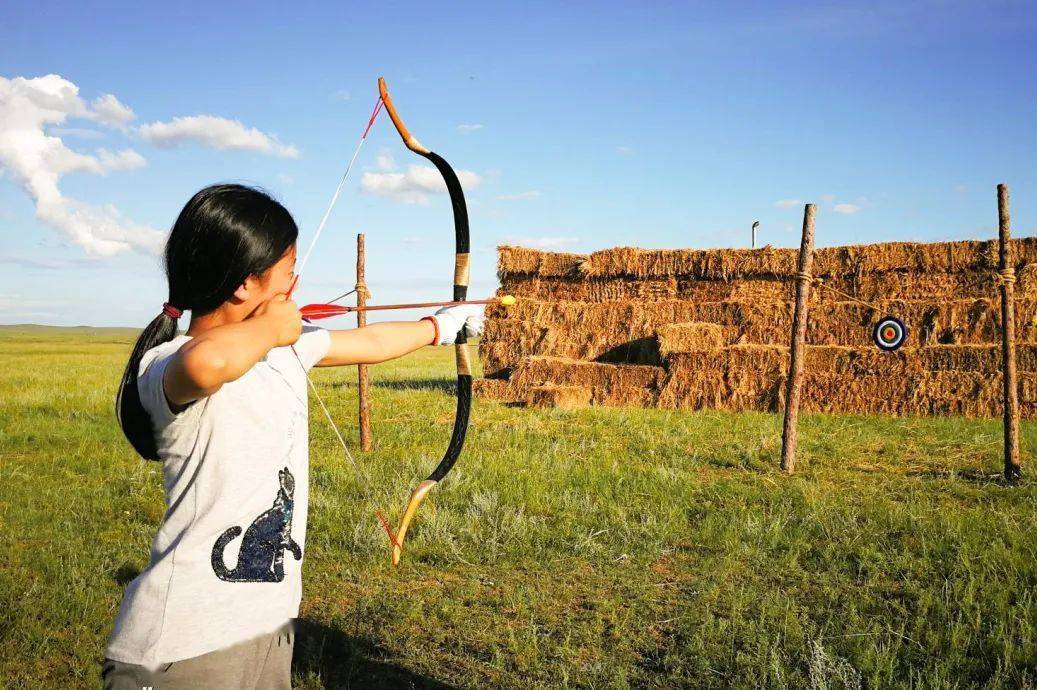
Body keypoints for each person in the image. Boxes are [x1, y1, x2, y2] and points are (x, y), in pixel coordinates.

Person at [102, 184, 483, 689]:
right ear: (244, 284)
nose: (296, 282)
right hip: (184, 649)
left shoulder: (282, 348)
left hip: (267, 630)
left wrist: (437, 326)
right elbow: (209, 360)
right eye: (288, 271)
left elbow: (369, 339)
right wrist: (275, 329)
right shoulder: (165, 364)